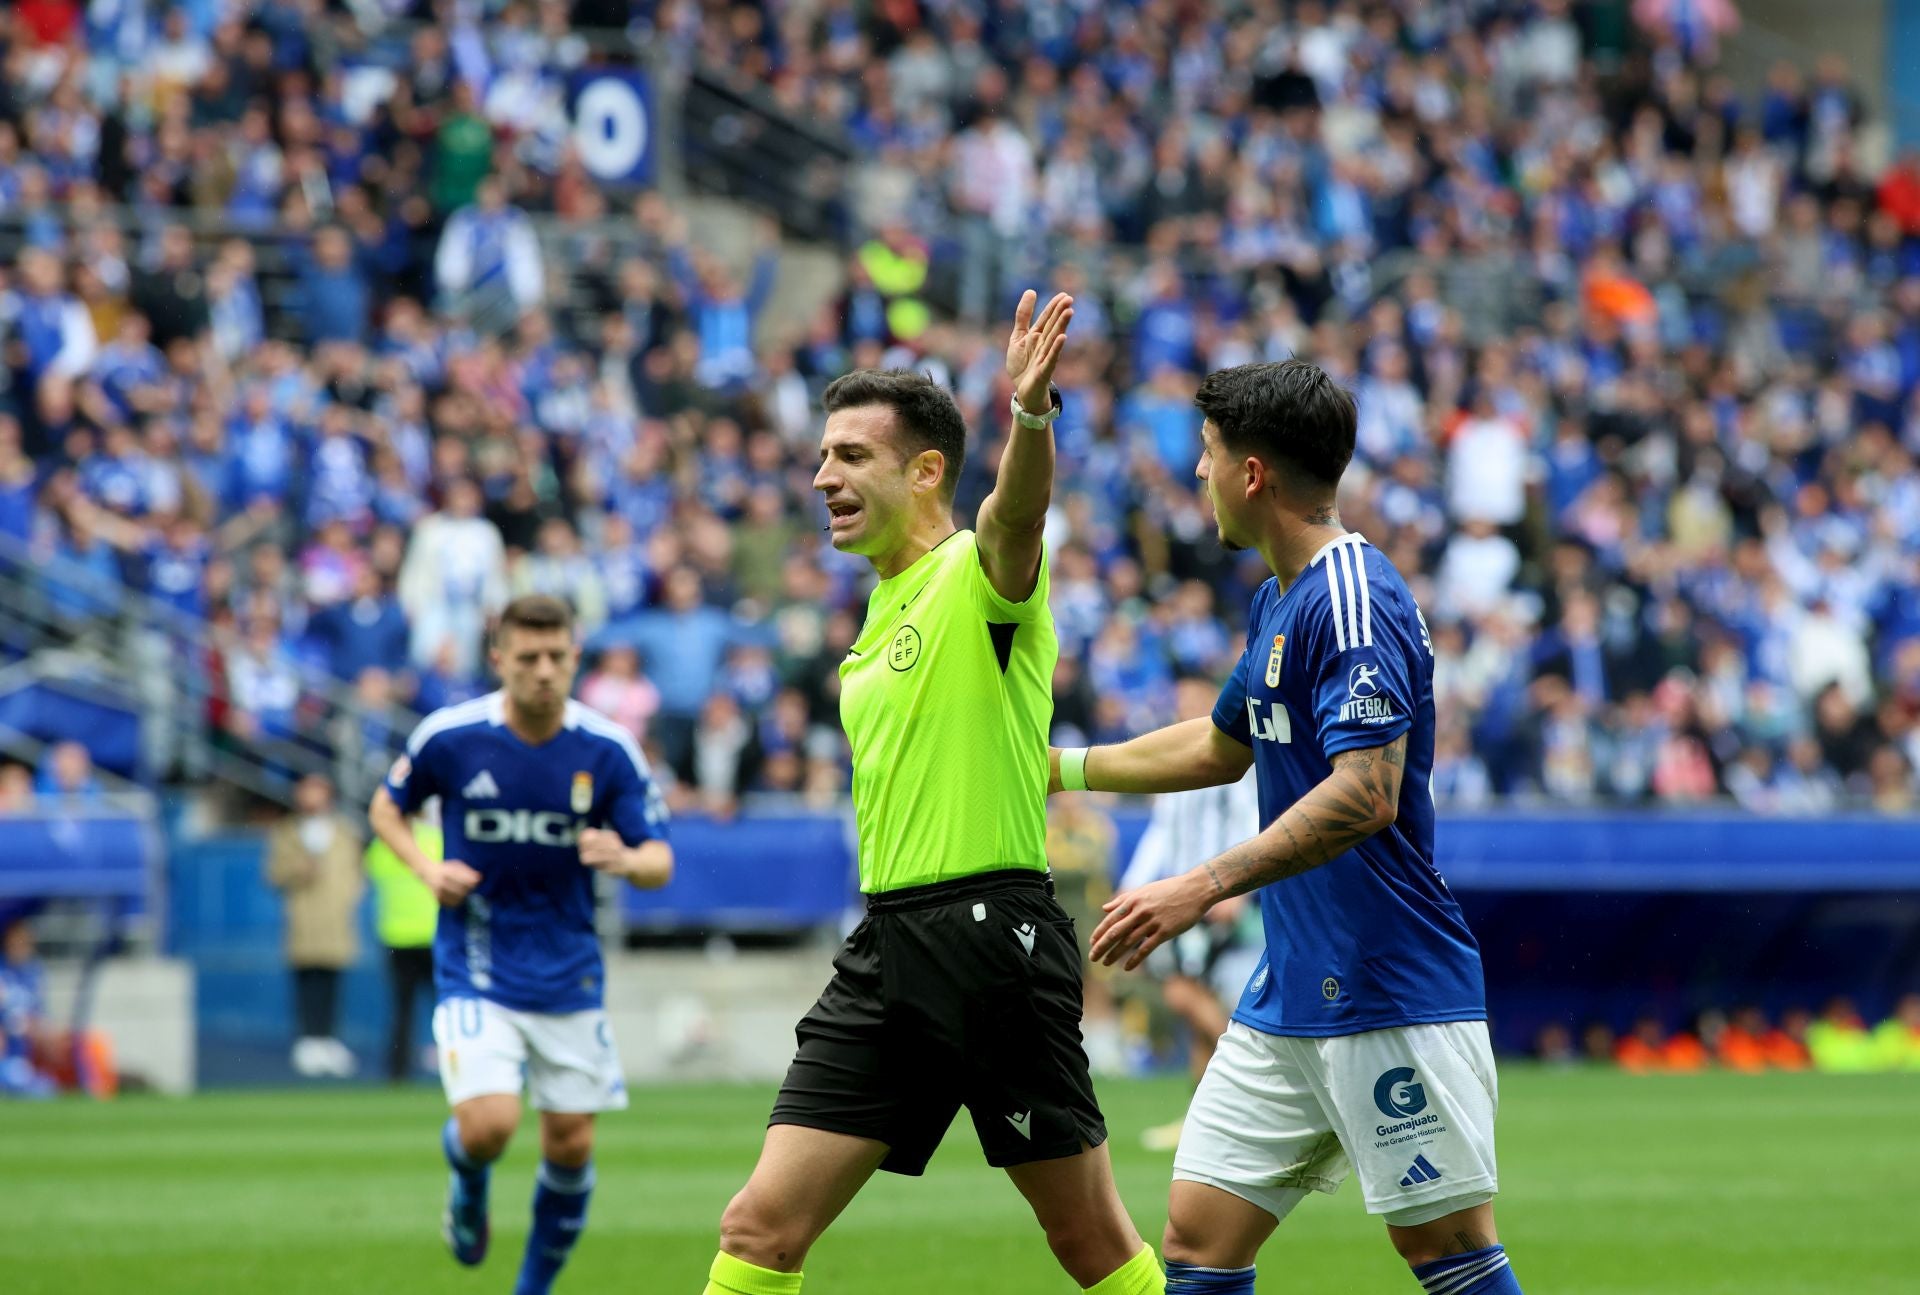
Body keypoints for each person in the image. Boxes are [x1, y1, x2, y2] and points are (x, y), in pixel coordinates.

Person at [705, 293, 1166, 1295]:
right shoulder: (874, 616)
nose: (823, 475)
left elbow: (1016, 515)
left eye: (852, 456)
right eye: (822, 455)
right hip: (890, 947)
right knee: (759, 1226)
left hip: (992, 939)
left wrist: (1031, 416)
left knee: (1090, 1240)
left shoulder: (976, 573)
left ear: (925, 471)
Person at [1058, 360, 1526, 1295]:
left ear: (1253, 472)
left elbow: (1366, 793)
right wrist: (1057, 766)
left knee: (1447, 1253)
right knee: (1197, 1238)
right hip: (1289, 991)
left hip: (1389, 984)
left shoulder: (1353, 596)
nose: (1199, 474)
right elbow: (1222, 744)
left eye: (1207, 454)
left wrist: (1200, 884)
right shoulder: (1280, 597)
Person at [368, 593, 673, 1295]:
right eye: (527, 657)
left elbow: (661, 859)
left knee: (571, 1143)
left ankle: (530, 1288)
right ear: (499, 657)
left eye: (556, 656)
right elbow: (387, 805)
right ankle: (467, 1181)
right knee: (490, 1126)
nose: (542, 670)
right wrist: (426, 868)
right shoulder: (451, 736)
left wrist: (625, 859)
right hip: (477, 963)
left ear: (576, 657)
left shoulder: (607, 748)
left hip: (569, 972)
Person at [1117, 673, 1261, 1152]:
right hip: (1178, 895)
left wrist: (1235, 889)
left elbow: (1250, 817)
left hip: (1209, 897)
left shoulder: (1232, 757)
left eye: (1194, 697)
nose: (1185, 706)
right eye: (1180, 699)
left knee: (1181, 993)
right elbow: (1162, 833)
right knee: (1192, 997)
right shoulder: (1178, 760)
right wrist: (1133, 886)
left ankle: (1255, 1071)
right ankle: (1204, 1122)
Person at [265, 773, 365, 1079]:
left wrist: (346, 898)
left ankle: (328, 1039)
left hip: (335, 917)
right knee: (307, 979)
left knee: (332, 979)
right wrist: (299, 869)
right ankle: (308, 1040)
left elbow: (355, 873)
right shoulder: (287, 832)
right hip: (304, 917)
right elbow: (274, 874)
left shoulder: (344, 831)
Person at [365, 800, 444, 1082]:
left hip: (397, 936)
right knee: (444, 1009)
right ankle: (452, 1068)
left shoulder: (381, 845)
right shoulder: (435, 840)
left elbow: (371, 873)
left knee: (402, 1010)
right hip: (432, 936)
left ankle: (398, 1072)